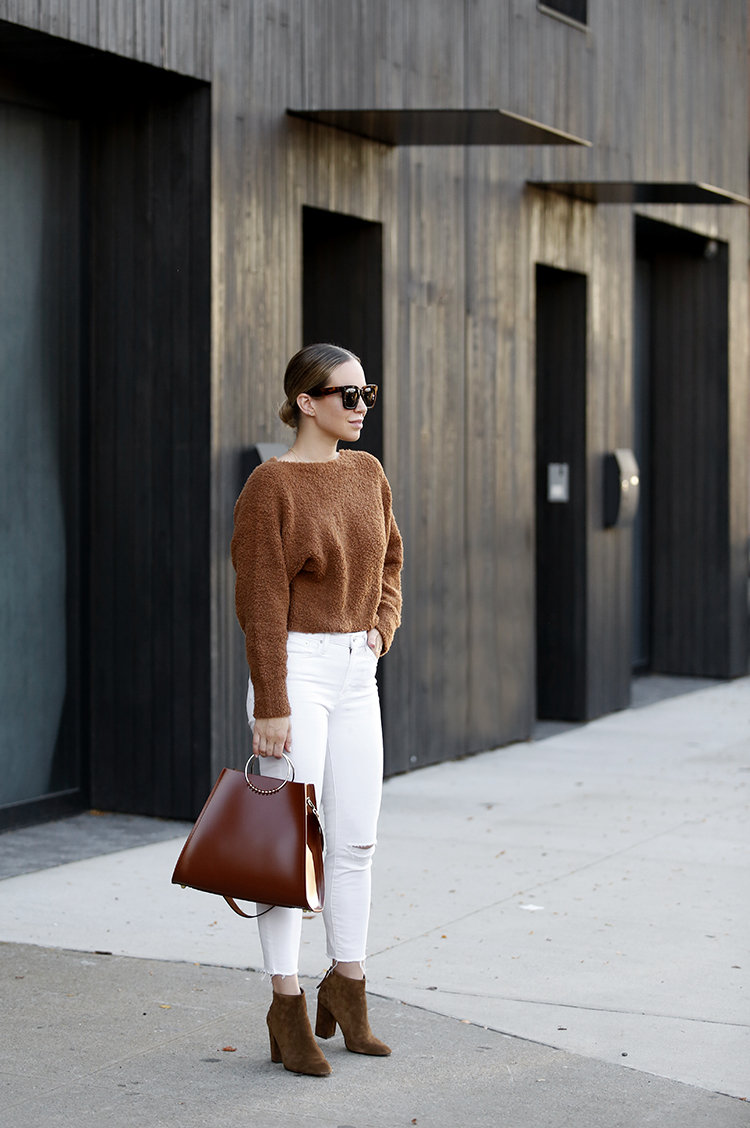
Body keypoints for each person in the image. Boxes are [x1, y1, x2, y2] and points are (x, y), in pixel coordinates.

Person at [231, 343, 403, 1077]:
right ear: (307, 401)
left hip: (355, 672)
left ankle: (350, 985)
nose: (362, 406)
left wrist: (381, 627)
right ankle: (286, 1004)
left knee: (357, 841)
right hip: (295, 670)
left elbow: (392, 560)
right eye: (349, 395)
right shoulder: (270, 487)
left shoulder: (367, 474)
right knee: (287, 847)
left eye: (368, 394)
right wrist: (271, 702)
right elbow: (260, 600)